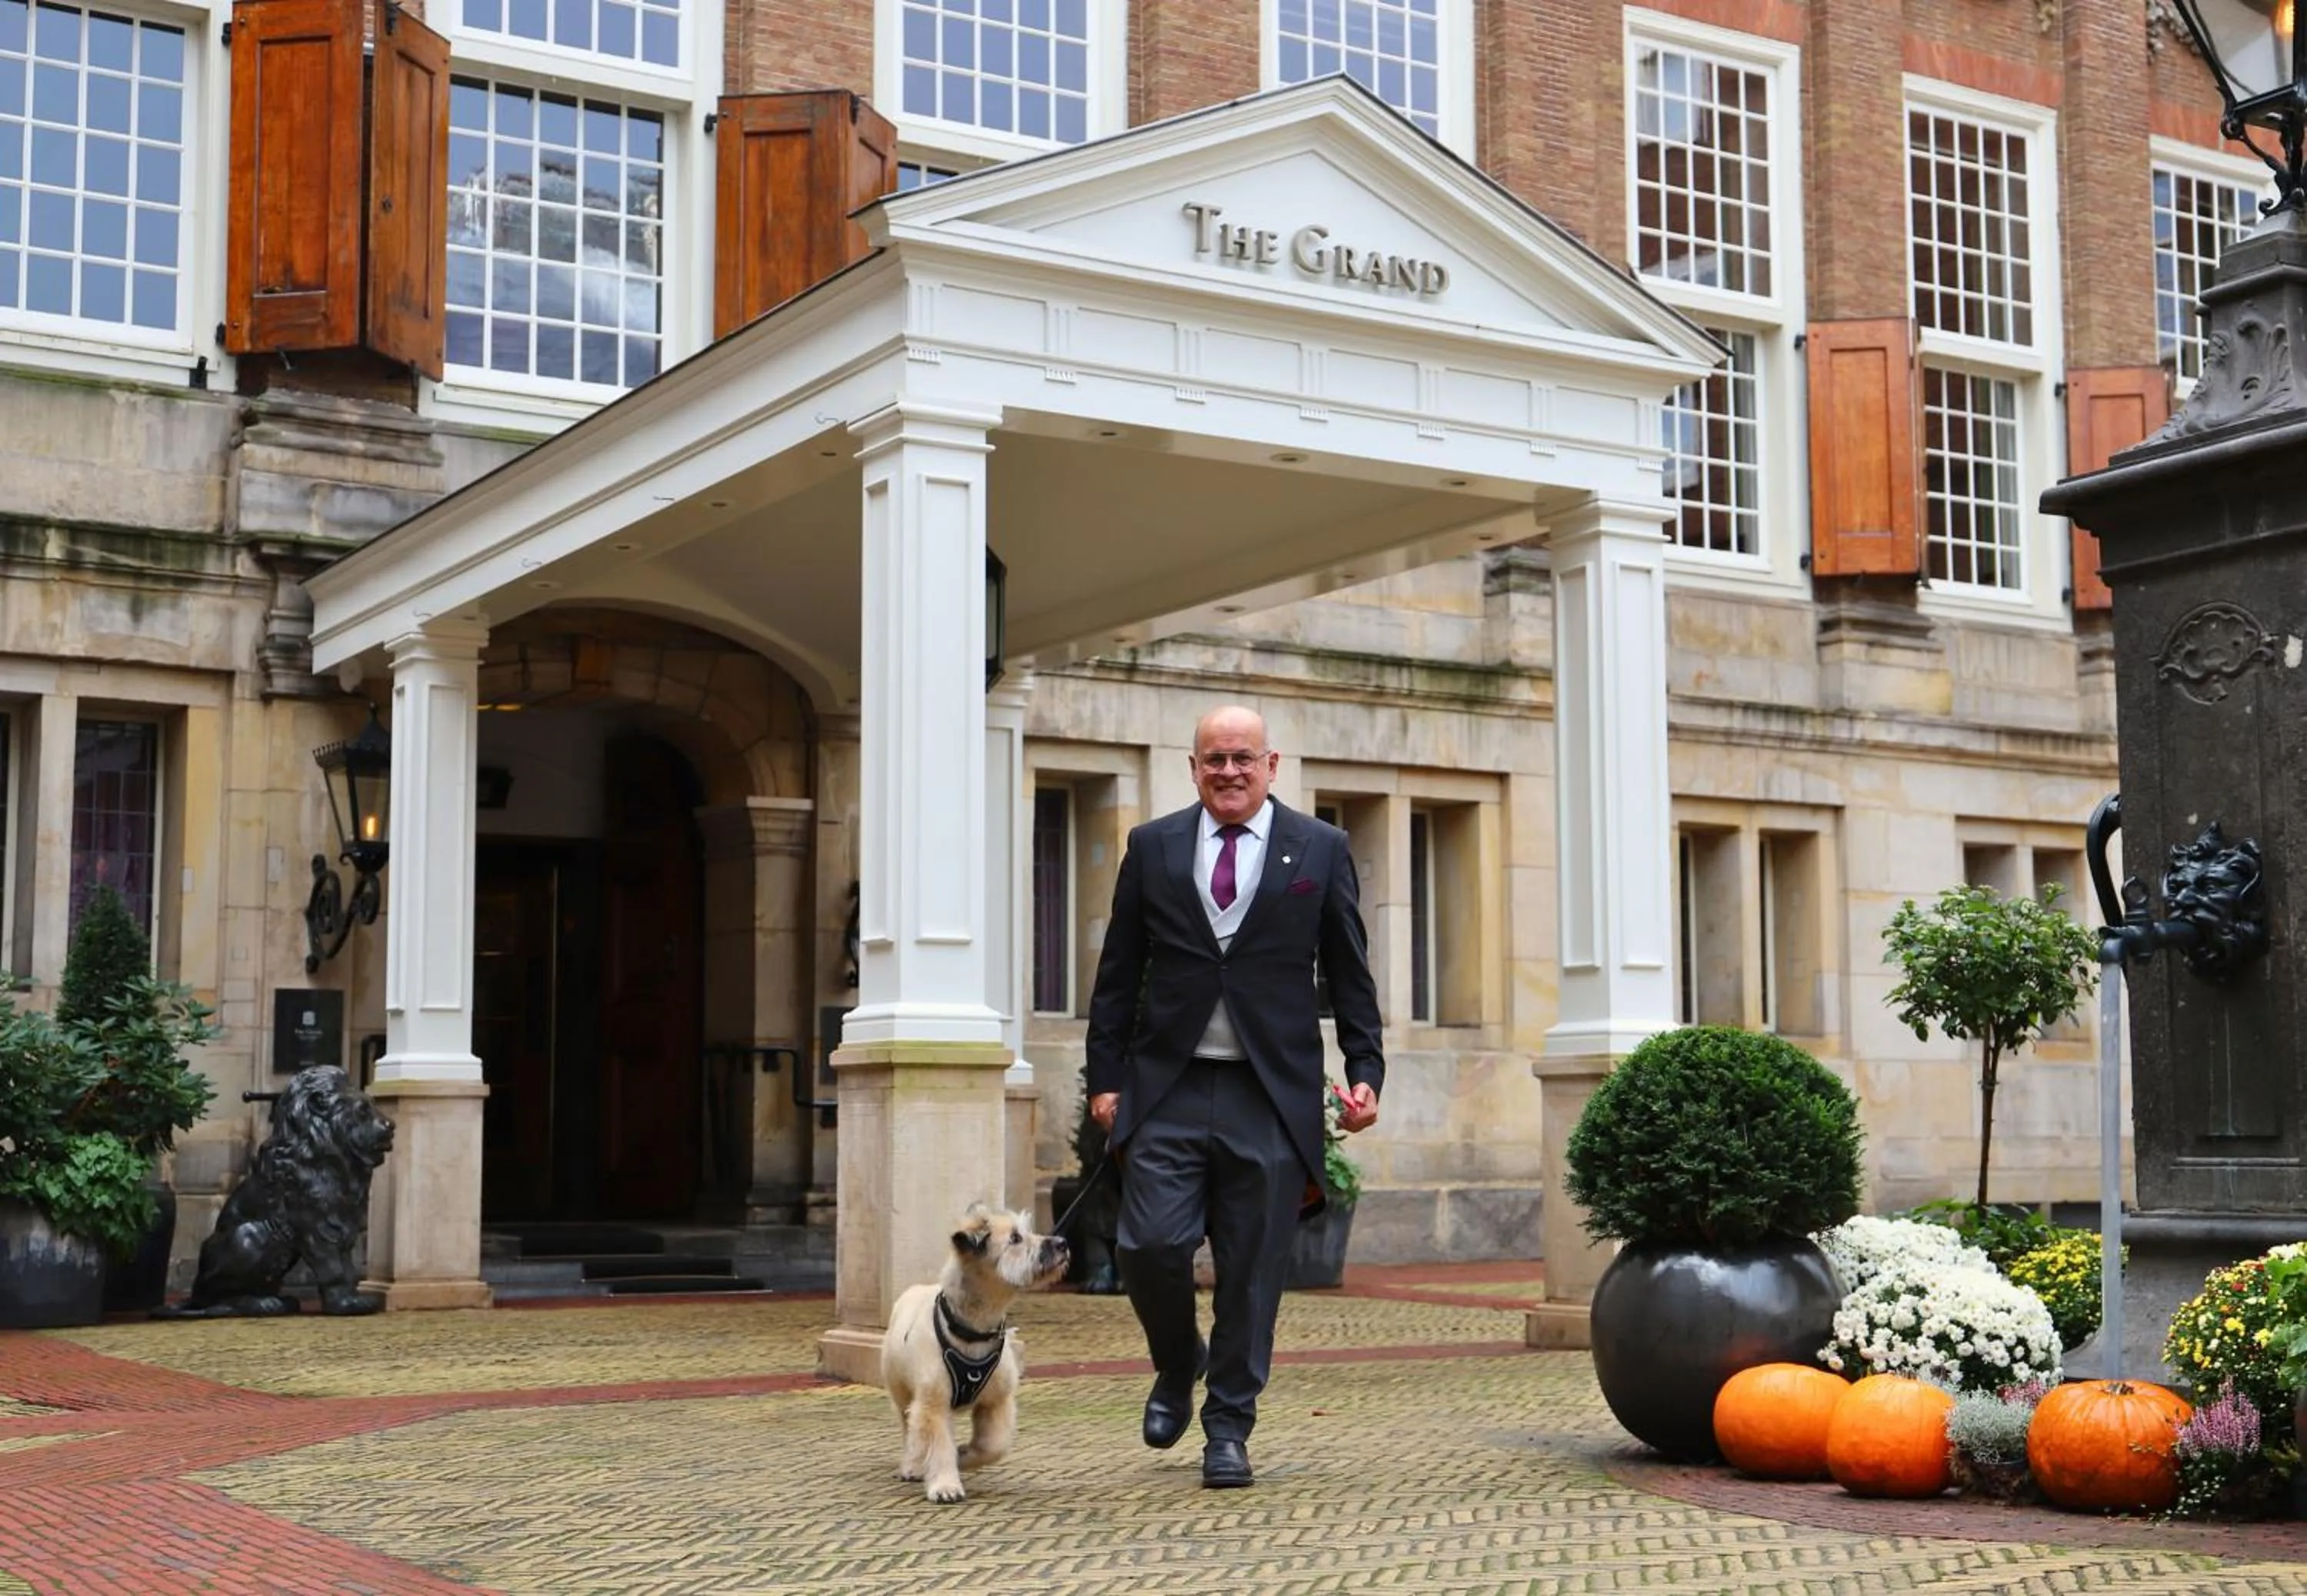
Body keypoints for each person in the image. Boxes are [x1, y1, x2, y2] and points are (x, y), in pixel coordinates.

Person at [1084, 705, 1385, 1489]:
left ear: (1272, 764)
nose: (1228, 772)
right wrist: (1107, 1080)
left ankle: (1228, 1428)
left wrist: (1365, 1068)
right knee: (1146, 1246)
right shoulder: (1152, 848)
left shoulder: (1321, 848)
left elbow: (1350, 972)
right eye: (1214, 759)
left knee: (1252, 1270)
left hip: (1269, 1093)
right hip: (1168, 1088)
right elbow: (1116, 975)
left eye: (1242, 758)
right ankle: (1176, 1360)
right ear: (1194, 767)